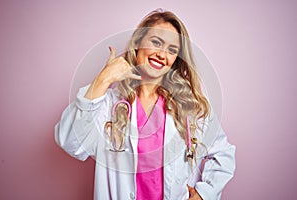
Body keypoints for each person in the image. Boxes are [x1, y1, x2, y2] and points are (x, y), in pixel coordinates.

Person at [55, 9, 236, 200]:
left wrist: (203, 194)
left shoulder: (190, 107)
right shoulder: (107, 104)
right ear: (138, 43)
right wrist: (103, 79)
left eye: (172, 50)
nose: (161, 54)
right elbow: (70, 143)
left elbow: (224, 154)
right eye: (156, 42)